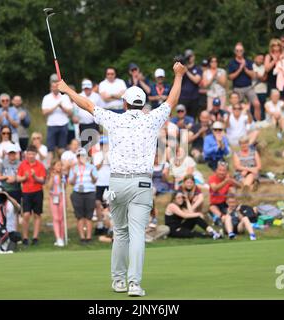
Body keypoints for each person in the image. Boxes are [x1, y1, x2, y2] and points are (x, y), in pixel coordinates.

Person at [57, 62, 185, 297]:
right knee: (137, 234)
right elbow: (172, 101)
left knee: (121, 233)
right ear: (143, 104)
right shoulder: (151, 119)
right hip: (142, 184)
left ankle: (118, 281)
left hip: (117, 183)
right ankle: (134, 284)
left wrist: (66, 89)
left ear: (125, 103)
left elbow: (86, 104)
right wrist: (178, 75)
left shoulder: (114, 118)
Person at [17, 145, 46, 246]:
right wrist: (24, 177)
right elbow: (18, 178)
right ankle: (25, 237)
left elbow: (42, 180)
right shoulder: (22, 165)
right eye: (29, 154)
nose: (30, 156)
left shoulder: (40, 165)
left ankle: (35, 237)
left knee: (37, 215)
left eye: (33, 154)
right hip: (26, 192)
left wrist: (35, 177)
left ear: (36, 155)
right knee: (26, 215)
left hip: (37, 191)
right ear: (26, 154)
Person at [69, 148, 98, 244]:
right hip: (78, 192)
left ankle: (88, 237)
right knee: (80, 216)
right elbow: (71, 182)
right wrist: (74, 176)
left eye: (82, 156)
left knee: (89, 216)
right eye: (79, 156)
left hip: (89, 192)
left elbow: (95, 181)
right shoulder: (74, 168)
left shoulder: (91, 167)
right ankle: (82, 237)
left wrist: (91, 176)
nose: (80, 158)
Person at [42, 74, 74, 161]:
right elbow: (44, 112)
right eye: (53, 87)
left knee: (62, 149)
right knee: (50, 149)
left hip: (63, 125)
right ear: (50, 88)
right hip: (51, 125)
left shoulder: (65, 97)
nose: (55, 88)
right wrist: (56, 106)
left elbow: (70, 113)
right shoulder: (46, 98)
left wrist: (62, 107)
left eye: (56, 86)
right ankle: (49, 169)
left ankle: (62, 167)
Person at [228, 42, 262, 121]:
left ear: (243, 51)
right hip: (237, 89)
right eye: (237, 51)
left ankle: (258, 123)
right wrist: (240, 69)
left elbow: (253, 75)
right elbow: (230, 77)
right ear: (234, 52)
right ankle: (236, 122)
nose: (239, 52)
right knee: (237, 107)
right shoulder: (232, 63)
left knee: (257, 104)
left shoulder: (248, 61)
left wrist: (245, 68)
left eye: (241, 50)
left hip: (248, 87)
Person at [208, 161, 242, 226]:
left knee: (232, 189)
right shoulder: (212, 178)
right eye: (220, 170)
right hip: (215, 204)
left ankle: (229, 216)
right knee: (212, 208)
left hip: (225, 203)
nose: (221, 172)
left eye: (224, 170)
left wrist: (231, 180)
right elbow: (214, 188)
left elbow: (240, 186)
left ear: (226, 172)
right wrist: (225, 181)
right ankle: (221, 217)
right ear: (216, 170)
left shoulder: (228, 178)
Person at [93, 137, 111, 235]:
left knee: (110, 204)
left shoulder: (112, 154)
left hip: (109, 182)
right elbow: (97, 167)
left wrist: (107, 157)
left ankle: (111, 225)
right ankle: (100, 224)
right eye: (102, 144)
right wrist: (103, 158)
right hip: (100, 183)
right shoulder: (96, 155)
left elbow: (112, 166)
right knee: (97, 203)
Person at [47, 159, 67, 247]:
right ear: (54, 166)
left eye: (60, 165)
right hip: (53, 197)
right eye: (58, 165)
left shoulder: (63, 176)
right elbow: (49, 187)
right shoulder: (51, 175)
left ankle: (62, 237)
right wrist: (52, 177)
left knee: (61, 218)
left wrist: (61, 178)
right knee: (55, 218)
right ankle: (58, 237)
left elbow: (64, 187)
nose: (59, 167)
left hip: (61, 196)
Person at [179, 49, 203, 119]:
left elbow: (196, 80)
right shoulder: (182, 68)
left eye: (191, 56)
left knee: (192, 118)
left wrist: (187, 71)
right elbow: (178, 78)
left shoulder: (198, 68)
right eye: (188, 57)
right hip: (183, 97)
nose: (189, 58)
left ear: (194, 57)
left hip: (194, 97)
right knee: (181, 117)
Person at [252, 54, 268, 118]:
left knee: (262, 106)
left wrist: (261, 77)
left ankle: (262, 120)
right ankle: (254, 120)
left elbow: (265, 78)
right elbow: (262, 78)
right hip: (254, 90)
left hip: (263, 90)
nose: (260, 60)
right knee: (254, 106)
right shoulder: (251, 66)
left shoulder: (264, 67)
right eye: (259, 58)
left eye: (262, 59)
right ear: (255, 58)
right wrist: (263, 76)